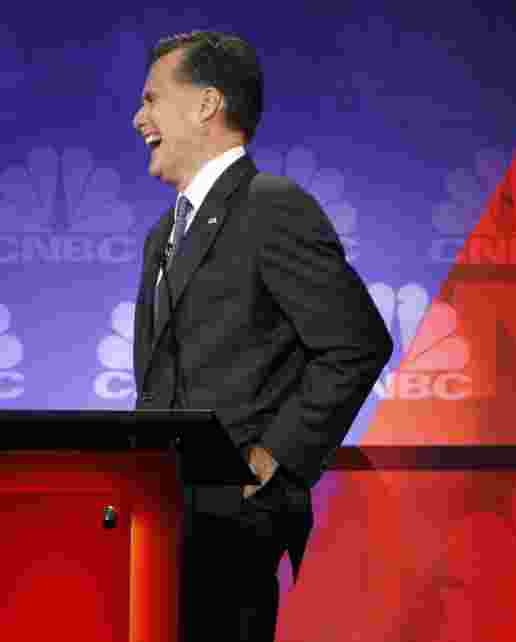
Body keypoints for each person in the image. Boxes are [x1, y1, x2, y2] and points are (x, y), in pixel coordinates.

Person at [131, 31, 392, 641]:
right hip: (165, 518)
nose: (139, 118)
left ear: (206, 105)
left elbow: (357, 342)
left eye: (151, 99)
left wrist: (274, 458)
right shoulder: (161, 236)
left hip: (233, 523)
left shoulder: (271, 206)